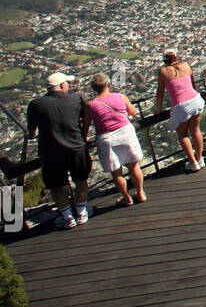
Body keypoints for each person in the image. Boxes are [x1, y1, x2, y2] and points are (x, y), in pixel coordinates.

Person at [26, 72, 93, 229]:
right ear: (63, 85)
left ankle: (67, 217)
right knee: (81, 180)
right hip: (76, 147)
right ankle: (82, 212)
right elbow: (86, 114)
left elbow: (31, 132)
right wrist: (84, 133)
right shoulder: (76, 99)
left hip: (50, 151)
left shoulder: (36, 104)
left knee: (57, 186)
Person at [82, 73, 145, 206]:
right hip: (125, 133)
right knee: (134, 166)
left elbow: (86, 125)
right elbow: (133, 112)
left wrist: (85, 136)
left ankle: (126, 198)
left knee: (116, 172)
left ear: (93, 89)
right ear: (109, 85)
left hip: (106, 138)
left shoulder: (90, 105)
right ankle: (140, 193)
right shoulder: (120, 97)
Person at [155, 49, 206, 171]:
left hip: (180, 105)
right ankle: (200, 159)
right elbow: (193, 85)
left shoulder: (163, 71)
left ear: (164, 60)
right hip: (195, 99)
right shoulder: (186, 65)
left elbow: (160, 92)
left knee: (183, 135)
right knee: (195, 129)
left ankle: (193, 163)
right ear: (176, 58)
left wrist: (158, 110)